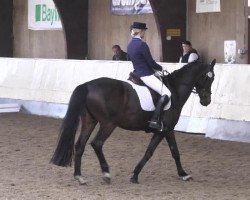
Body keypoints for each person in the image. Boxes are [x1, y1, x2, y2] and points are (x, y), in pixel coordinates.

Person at [127, 22, 171, 132]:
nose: (144, 33)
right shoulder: (142, 45)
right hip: (146, 75)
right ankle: (155, 120)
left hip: (137, 73)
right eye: (144, 31)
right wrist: (161, 68)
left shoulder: (130, 44)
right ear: (141, 31)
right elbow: (151, 62)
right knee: (167, 93)